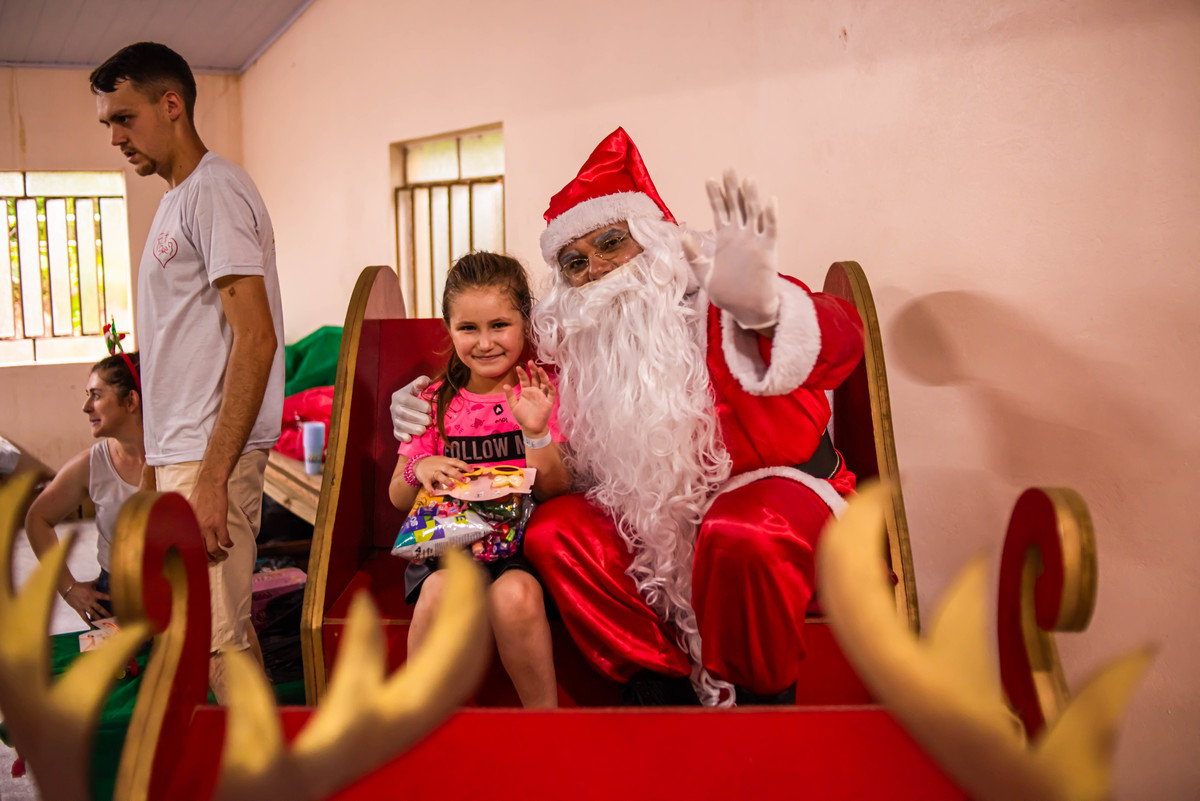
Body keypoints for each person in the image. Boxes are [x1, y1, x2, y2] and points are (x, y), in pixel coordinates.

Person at [392, 128, 864, 707]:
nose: (595, 268)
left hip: (774, 488)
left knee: (739, 533)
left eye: (611, 242)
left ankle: (760, 709)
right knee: (555, 532)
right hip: (656, 517)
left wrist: (772, 308)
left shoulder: (723, 299)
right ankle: (663, 685)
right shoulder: (582, 343)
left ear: (654, 239)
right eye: (574, 261)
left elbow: (844, 341)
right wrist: (415, 405)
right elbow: (488, 363)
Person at [90, 42, 285, 702]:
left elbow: (255, 338)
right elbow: (176, 348)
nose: (116, 138)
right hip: (184, 453)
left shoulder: (216, 191)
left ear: (171, 104)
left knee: (216, 642)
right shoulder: (176, 200)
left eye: (124, 118)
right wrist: (155, 466)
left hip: (210, 454)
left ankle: (257, 761)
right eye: (109, 123)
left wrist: (212, 475)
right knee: (218, 630)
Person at [388, 252, 569, 709]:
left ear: (525, 323)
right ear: (449, 329)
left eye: (499, 325)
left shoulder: (541, 392)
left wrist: (536, 432)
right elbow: (397, 496)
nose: (485, 342)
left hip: (523, 553)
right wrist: (419, 468)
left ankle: (545, 726)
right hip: (447, 552)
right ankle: (417, 721)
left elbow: (556, 491)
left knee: (516, 596)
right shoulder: (433, 400)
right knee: (440, 592)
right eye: (468, 328)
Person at [25, 354, 146, 625]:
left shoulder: (177, 461)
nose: (85, 407)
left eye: (96, 395)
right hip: (116, 600)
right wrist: (68, 588)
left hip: (180, 593)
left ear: (131, 401)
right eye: (87, 395)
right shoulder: (93, 464)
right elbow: (37, 519)